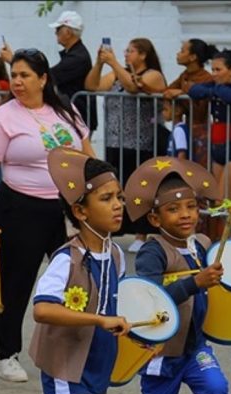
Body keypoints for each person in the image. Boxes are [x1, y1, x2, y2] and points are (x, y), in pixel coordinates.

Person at [0, 49, 94, 383]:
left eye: (25, 75)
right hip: (21, 208)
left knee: (75, 279)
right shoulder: (4, 117)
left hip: (66, 207)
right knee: (16, 282)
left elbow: (88, 155)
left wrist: (97, 197)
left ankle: (69, 349)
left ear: (43, 79)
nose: (17, 82)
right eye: (15, 75)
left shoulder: (66, 110)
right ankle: (7, 353)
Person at [30, 149, 129, 394]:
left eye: (120, 197)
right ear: (80, 212)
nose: (117, 206)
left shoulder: (116, 255)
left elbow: (117, 309)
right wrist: (98, 320)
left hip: (98, 370)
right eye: (106, 199)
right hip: (66, 373)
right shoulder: (66, 259)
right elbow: (42, 309)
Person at [127, 156, 227, 394]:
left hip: (195, 348)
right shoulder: (152, 251)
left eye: (191, 207)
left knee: (217, 391)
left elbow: (218, 289)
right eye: (173, 209)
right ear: (156, 219)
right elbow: (148, 300)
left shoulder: (204, 244)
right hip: (161, 354)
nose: (185, 215)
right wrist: (193, 283)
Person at [84, 37, 170, 251]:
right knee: (119, 187)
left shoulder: (152, 75)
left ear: (143, 55)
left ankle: (142, 234)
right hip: (116, 140)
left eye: (131, 51)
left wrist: (112, 62)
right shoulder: (116, 73)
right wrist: (99, 63)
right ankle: (118, 227)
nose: (125, 54)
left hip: (143, 142)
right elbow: (92, 85)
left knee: (142, 189)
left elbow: (132, 87)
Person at [188, 48, 231, 241]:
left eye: (218, 70)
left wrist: (213, 91)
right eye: (213, 69)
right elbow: (194, 90)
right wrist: (214, 89)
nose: (214, 74)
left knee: (222, 202)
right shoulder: (216, 84)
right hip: (219, 150)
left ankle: (227, 244)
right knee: (225, 202)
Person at [1, 11, 97, 132]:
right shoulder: (75, 54)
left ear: (68, 32)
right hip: (74, 113)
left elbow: (50, 75)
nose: (55, 33)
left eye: (58, 29)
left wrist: (12, 60)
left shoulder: (77, 57)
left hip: (78, 115)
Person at [163, 39, 217, 168]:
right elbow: (167, 90)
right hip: (186, 128)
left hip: (201, 132)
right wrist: (145, 86)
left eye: (182, 51)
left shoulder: (206, 78)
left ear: (193, 57)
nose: (178, 54)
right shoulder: (185, 75)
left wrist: (182, 93)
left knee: (199, 171)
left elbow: (201, 108)